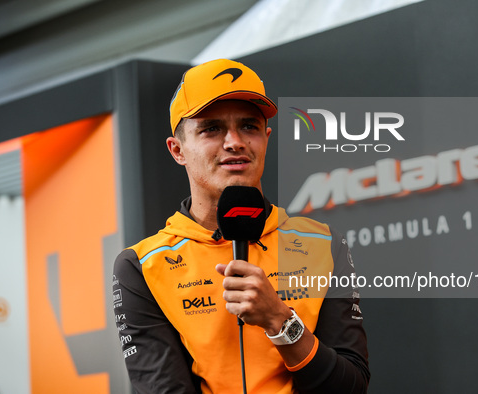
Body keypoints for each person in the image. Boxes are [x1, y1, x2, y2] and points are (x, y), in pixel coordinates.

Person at [112, 58, 369, 393]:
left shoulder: (321, 242)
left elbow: (351, 387)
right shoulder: (142, 266)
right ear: (178, 150)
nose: (234, 141)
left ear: (266, 137)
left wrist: (280, 320)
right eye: (211, 128)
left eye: (249, 126)